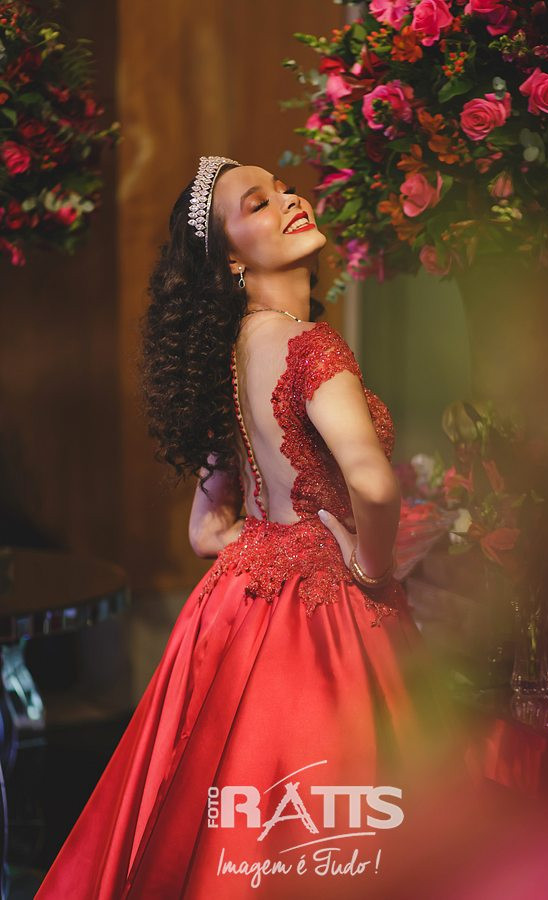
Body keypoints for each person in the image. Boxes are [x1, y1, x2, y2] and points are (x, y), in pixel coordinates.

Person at [35, 156, 476, 900]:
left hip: (234, 609)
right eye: (258, 203)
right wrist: (369, 567)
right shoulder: (311, 347)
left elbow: (207, 532)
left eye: (285, 189)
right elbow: (371, 483)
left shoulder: (232, 353)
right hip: (327, 616)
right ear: (231, 259)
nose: (290, 201)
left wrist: (273, 540)